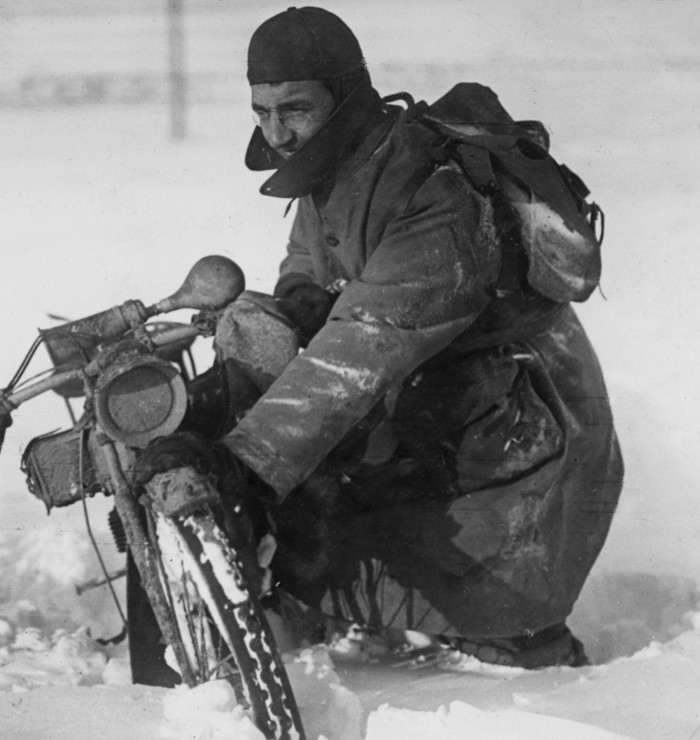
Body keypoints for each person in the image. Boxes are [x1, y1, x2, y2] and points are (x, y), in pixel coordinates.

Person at [133, 6, 624, 671]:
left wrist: (239, 466)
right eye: (262, 111)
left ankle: (531, 656)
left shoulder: (434, 192)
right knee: (305, 480)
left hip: (520, 419)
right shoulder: (336, 163)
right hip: (438, 392)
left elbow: (359, 351)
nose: (277, 132)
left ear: (345, 93)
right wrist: (294, 307)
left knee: (498, 620)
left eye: (295, 109)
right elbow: (308, 263)